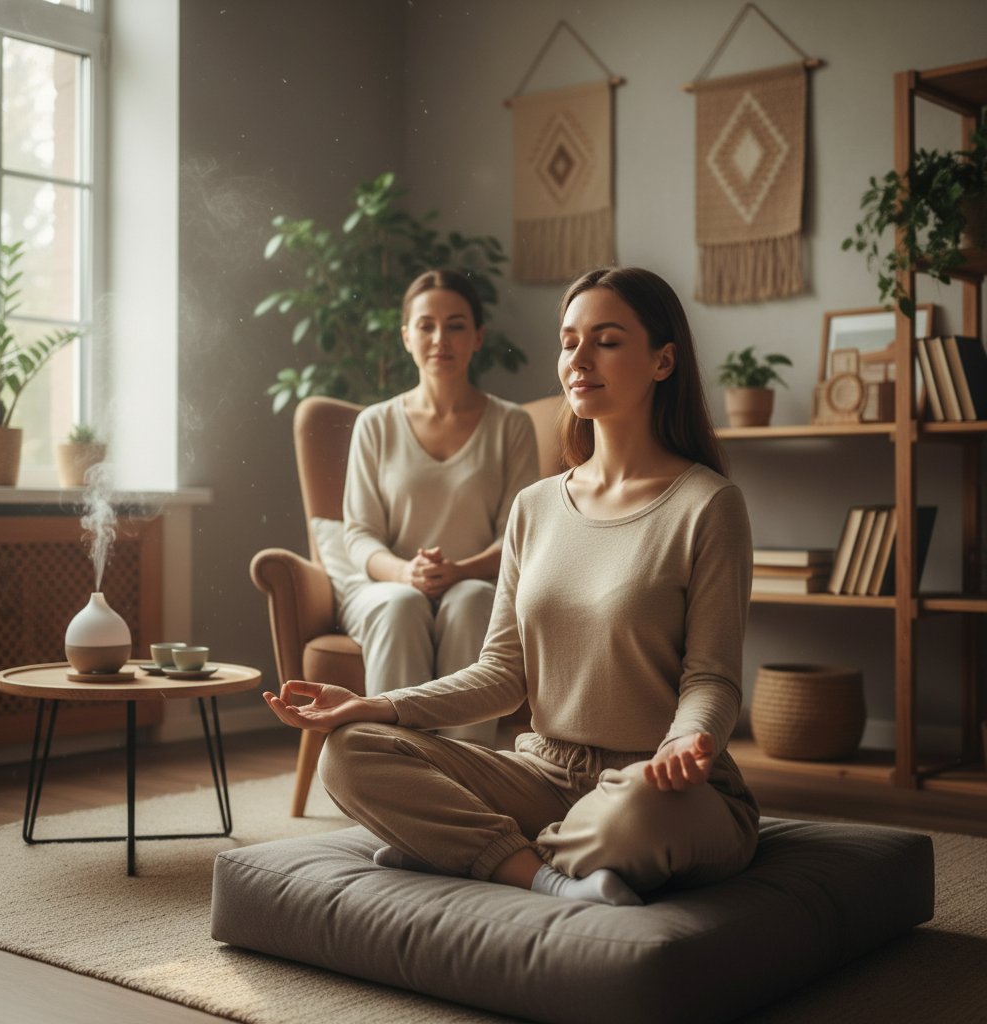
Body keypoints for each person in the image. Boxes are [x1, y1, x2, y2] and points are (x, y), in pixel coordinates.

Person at [264, 266, 759, 907]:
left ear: (663, 360)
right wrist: (375, 707)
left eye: (606, 341)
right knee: (349, 753)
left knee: (635, 814)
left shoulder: (708, 504)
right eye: (569, 340)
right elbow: (501, 675)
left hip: (655, 781)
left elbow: (712, 680)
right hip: (543, 772)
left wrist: (686, 743)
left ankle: (461, 849)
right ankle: (540, 874)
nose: (578, 359)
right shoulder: (535, 507)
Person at [333, 268, 539, 746]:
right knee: (401, 605)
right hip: (385, 587)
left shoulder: (512, 425)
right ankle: (388, 772)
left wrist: (462, 569)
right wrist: (406, 573)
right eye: (425, 325)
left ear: (478, 336)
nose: (440, 338)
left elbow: (520, 533)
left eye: (456, 324)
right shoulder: (374, 424)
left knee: (469, 601)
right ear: (406, 336)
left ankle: (468, 773)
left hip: (479, 584)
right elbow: (358, 534)